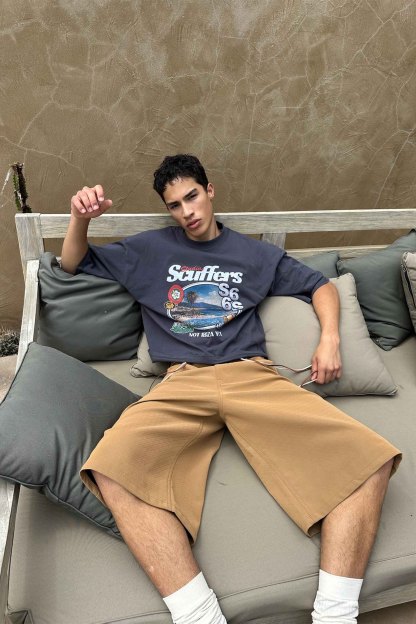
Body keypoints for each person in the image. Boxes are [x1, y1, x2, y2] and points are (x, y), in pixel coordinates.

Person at [61, 154, 401, 624]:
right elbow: (73, 262)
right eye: (175, 205)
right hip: (182, 380)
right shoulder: (149, 250)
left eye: (192, 197)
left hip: (250, 375)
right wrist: (79, 218)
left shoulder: (253, 254)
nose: (187, 212)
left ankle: (336, 614)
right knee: (110, 467)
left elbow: (320, 286)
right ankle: (199, 616)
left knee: (371, 461)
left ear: (210, 190)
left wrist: (329, 339)